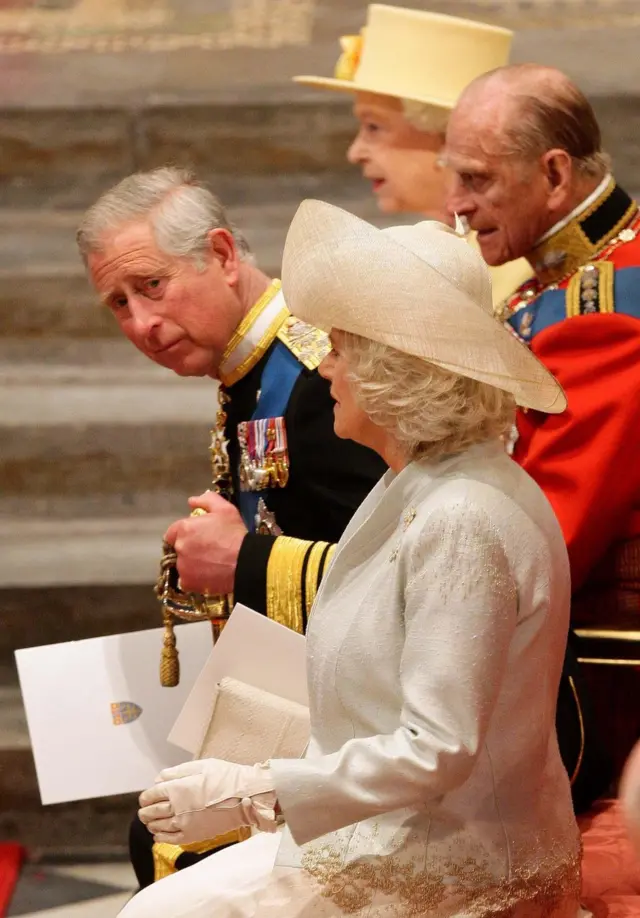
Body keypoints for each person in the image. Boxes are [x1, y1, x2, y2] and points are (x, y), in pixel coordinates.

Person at [118, 201, 583, 918]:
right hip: (400, 831)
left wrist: (255, 791)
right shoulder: (416, 481)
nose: (326, 366)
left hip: (460, 867)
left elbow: (438, 747)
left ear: (391, 369)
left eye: (340, 347)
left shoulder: (460, 515)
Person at [77, 168, 386, 886]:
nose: (141, 325)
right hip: (310, 681)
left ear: (221, 254)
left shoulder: (317, 376)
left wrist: (242, 559)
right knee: (163, 820)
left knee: (173, 842)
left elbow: (409, 570)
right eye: (117, 304)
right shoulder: (247, 369)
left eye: (151, 286)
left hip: (375, 720)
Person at [445, 62, 640, 778]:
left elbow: (546, 537)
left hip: (605, 679)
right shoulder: (551, 287)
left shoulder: (611, 306)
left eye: (476, 180)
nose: (454, 204)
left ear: (554, 174)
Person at [293, 3, 532, 305]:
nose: (355, 152)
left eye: (374, 127)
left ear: (451, 138)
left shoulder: (508, 274)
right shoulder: (441, 256)